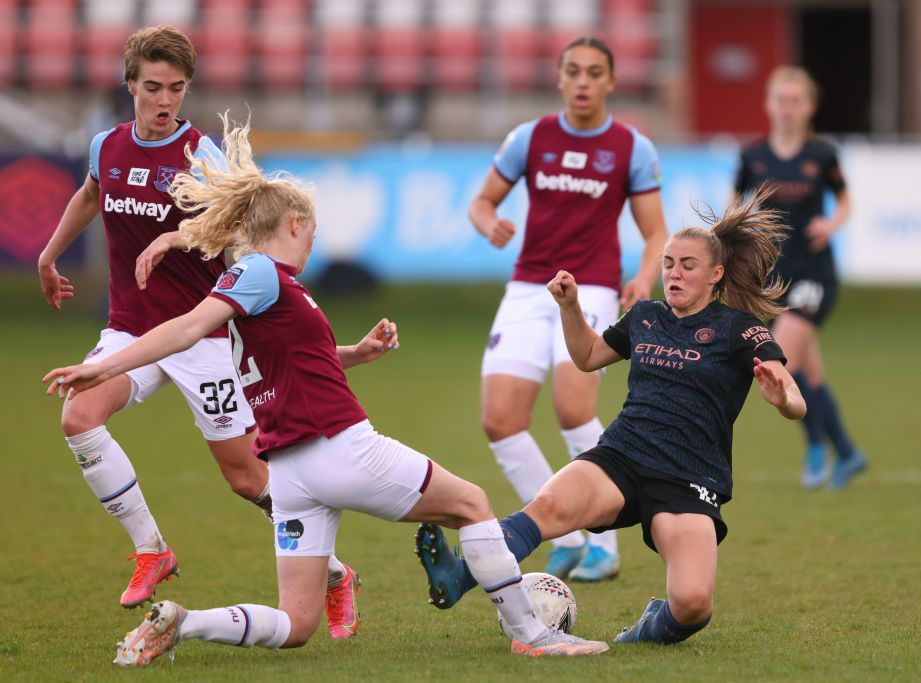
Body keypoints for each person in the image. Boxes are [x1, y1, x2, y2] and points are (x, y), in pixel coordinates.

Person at [43, 114, 610, 665]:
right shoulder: (263, 274)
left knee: (296, 625)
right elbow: (185, 329)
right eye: (312, 232)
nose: (313, 243)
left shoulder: (254, 284)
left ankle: (185, 621)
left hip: (290, 475)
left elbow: (285, 356)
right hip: (342, 448)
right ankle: (532, 634)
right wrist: (104, 368)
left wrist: (355, 354)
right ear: (293, 225)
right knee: (473, 504)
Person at [35, 26, 358, 638]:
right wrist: (50, 257)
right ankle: (153, 550)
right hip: (132, 329)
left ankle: (337, 575)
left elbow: (242, 219)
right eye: (152, 88)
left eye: (176, 89)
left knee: (247, 479)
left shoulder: (202, 155)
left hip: (203, 336)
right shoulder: (106, 145)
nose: (164, 101)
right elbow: (91, 194)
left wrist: (176, 234)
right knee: (79, 416)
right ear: (129, 84)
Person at [414, 191, 807, 647]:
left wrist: (782, 398)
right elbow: (586, 356)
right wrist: (570, 307)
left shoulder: (738, 328)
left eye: (687, 265)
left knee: (693, 602)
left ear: (716, 274)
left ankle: (644, 633)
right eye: (668, 262)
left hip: (688, 476)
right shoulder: (645, 316)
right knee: (546, 509)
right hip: (621, 455)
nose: (673, 273)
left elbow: (792, 396)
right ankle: (457, 574)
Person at [470, 36, 668, 581]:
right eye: (574, 71)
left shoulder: (632, 148)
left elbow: (657, 234)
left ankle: (604, 545)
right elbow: (482, 201)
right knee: (500, 420)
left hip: (592, 289)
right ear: (559, 78)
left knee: (573, 410)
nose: (583, 81)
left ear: (611, 81)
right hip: (528, 288)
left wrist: (644, 278)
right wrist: (491, 224)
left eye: (594, 72)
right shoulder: (529, 138)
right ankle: (572, 534)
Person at [733, 66, 867, 489]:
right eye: (781, 100)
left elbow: (846, 203)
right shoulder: (752, 157)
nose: (788, 108)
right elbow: (736, 206)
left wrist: (832, 224)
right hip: (772, 278)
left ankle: (814, 446)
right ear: (769, 104)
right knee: (810, 373)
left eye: (796, 101)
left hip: (814, 275)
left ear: (809, 106)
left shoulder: (823, 156)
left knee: (781, 360)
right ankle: (846, 453)